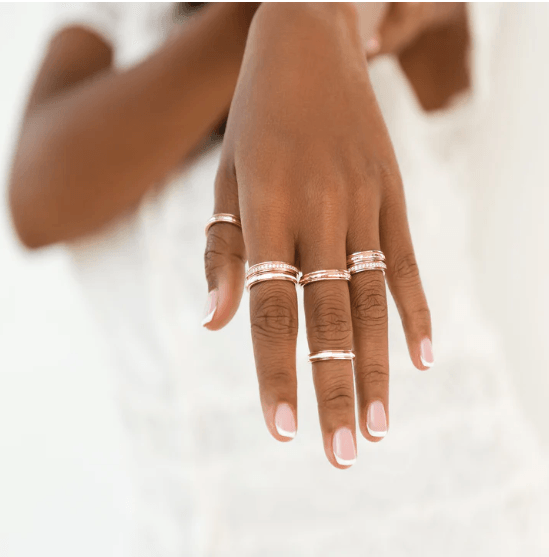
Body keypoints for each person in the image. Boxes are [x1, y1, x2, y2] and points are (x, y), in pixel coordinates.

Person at [7, 2, 549, 555]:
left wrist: (308, 17)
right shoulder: (118, 15)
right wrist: (265, 23)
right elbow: (36, 198)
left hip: (448, 526)